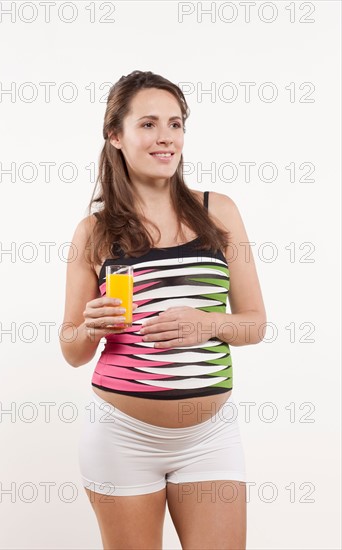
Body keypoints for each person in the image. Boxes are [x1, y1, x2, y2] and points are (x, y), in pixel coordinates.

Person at [59, 70, 266, 550]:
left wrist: (208, 322)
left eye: (175, 124)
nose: (166, 138)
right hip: (122, 438)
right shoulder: (92, 232)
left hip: (210, 437)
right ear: (116, 135)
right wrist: (90, 327)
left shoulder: (219, 211)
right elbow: (71, 350)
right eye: (148, 124)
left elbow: (254, 323)